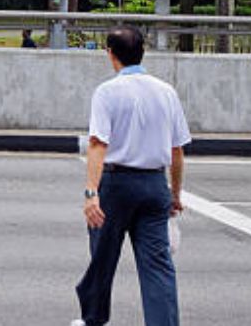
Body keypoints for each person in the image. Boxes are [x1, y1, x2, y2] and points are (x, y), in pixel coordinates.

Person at [73, 26, 191, 326]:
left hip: (116, 185)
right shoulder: (167, 92)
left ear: (110, 54)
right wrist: (175, 195)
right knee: (158, 266)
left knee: (103, 258)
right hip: (154, 185)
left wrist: (91, 192)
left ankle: (93, 319)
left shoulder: (107, 92)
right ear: (142, 52)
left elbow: (98, 143)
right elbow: (177, 150)